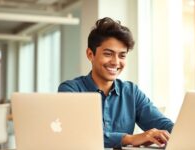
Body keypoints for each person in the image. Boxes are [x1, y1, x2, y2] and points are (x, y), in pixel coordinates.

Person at [58, 17, 174, 148]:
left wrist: (178, 133)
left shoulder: (131, 92)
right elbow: (78, 134)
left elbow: (164, 125)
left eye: (122, 55)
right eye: (108, 54)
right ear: (90, 54)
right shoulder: (70, 90)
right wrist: (130, 139)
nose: (115, 62)